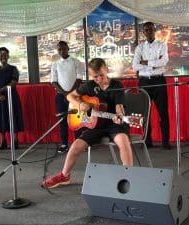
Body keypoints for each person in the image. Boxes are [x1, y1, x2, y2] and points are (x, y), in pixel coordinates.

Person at [42, 58, 133, 188]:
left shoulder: (116, 85)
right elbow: (70, 96)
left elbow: (119, 107)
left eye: (101, 75)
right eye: (95, 77)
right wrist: (80, 104)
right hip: (95, 125)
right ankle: (64, 176)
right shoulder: (90, 85)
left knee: (123, 141)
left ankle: (129, 176)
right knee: (75, 146)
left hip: (114, 123)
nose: (99, 79)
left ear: (106, 70)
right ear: (91, 76)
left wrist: (120, 116)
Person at [132, 22, 171, 150]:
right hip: (144, 82)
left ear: (155, 30)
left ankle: (165, 142)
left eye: (150, 29)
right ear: (143, 32)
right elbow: (135, 66)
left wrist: (145, 62)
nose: (148, 31)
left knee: (163, 112)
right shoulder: (139, 47)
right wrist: (154, 63)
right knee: (144, 114)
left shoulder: (162, 45)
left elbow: (164, 61)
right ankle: (147, 141)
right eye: (146, 30)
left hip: (158, 81)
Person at [51, 41, 84, 153]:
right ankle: (64, 144)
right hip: (61, 96)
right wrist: (65, 94)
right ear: (57, 50)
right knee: (62, 120)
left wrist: (70, 93)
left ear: (68, 48)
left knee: (77, 119)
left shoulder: (76, 62)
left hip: (75, 96)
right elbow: (54, 81)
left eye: (64, 49)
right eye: (59, 49)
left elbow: (79, 79)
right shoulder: (55, 64)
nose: (62, 51)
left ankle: (78, 144)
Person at [0, 47, 24, 150]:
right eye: (1, 55)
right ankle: (2, 141)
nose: (3, 56)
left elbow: (13, 83)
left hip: (11, 97)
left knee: (13, 117)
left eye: (5, 54)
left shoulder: (13, 69)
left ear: (8, 56)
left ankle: (15, 141)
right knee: (0, 118)